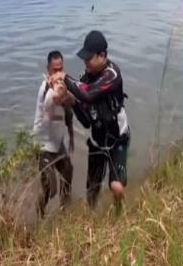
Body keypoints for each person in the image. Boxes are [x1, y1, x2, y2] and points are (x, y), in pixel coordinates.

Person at [48, 31, 130, 209]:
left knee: (116, 186)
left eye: (88, 58)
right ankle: (92, 220)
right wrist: (70, 101)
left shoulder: (112, 73)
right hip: (97, 141)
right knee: (91, 190)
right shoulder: (85, 79)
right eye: (84, 59)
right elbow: (86, 121)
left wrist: (64, 77)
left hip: (118, 139)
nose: (85, 63)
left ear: (102, 55)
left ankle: (119, 212)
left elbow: (87, 93)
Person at [33, 51, 74, 219]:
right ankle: (39, 215)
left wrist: (71, 135)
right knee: (50, 188)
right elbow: (58, 99)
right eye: (54, 70)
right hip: (42, 145)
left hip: (58, 143)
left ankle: (65, 214)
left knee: (68, 172)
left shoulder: (62, 85)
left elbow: (71, 105)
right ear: (48, 70)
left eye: (61, 69)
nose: (58, 74)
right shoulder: (46, 89)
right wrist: (60, 90)